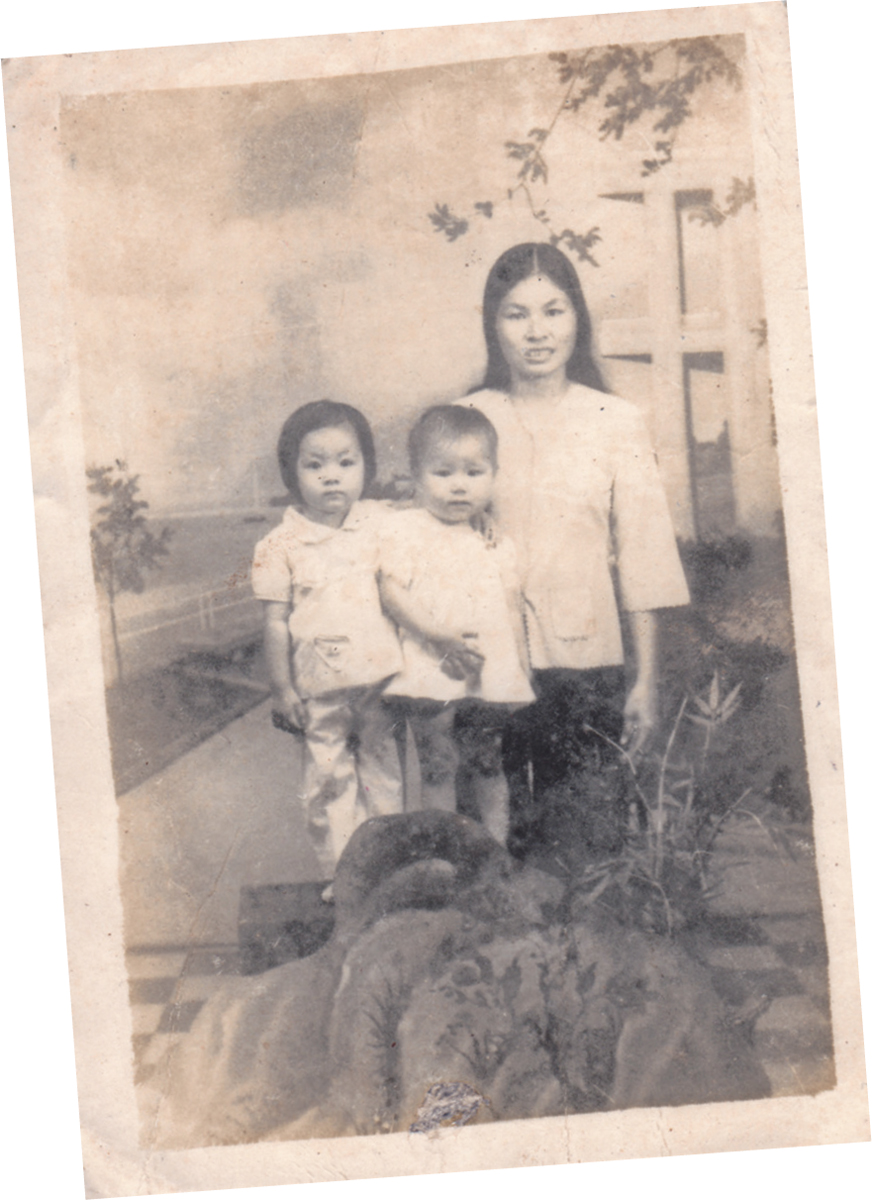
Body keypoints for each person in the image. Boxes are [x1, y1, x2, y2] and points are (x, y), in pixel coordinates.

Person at [454, 242, 690, 862]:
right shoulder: (465, 420)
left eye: (553, 311)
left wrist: (646, 682)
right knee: (492, 850)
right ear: (492, 323)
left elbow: (645, 558)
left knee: (585, 848)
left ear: (578, 319)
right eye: (516, 313)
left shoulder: (617, 421)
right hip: (484, 668)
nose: (537, 332)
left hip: (587, 664)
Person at [251, 400, 404, 897]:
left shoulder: (381, 524)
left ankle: (388, 868)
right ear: (292, 473)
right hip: (319, 691)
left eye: (346, 462)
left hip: (381, 683)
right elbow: (275, 621)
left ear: (367, 466)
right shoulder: (280, 545)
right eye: (314, 466)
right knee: (327, 782)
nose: (332, 477)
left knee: (384, 778)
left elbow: (441, 518)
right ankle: (342, 874)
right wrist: (281, 688)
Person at [379, 405, 534, 844]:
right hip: (430, 665)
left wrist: (519, 668)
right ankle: (443, 855)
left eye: (474, 472)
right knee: (437, 765)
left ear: (493, 474)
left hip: (488, 669)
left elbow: (510, 607)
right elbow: (392, 593)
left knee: (488, 762)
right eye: (442, 472)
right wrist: (436, 635)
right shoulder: (403, 529)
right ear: (415, 474)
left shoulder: (495, 539)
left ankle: (494, 855)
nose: (459, 485)